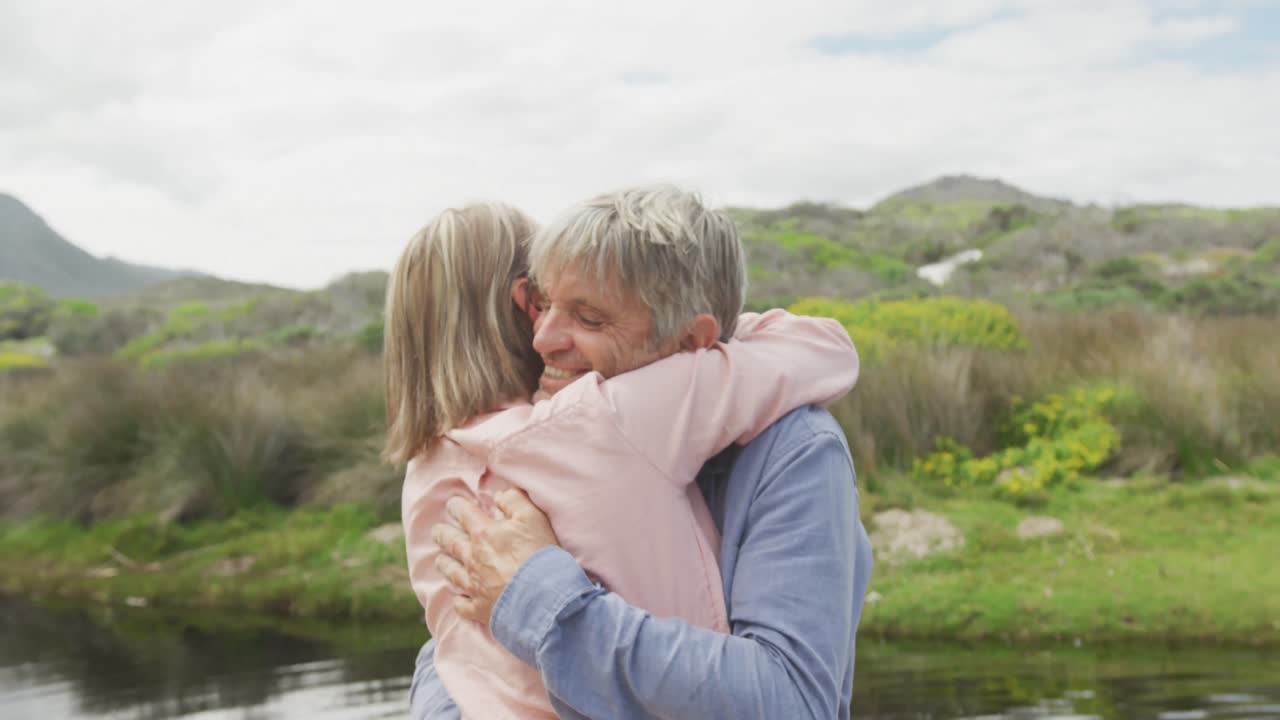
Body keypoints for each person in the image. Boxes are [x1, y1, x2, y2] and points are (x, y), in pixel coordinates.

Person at [384, 195, 860, 719]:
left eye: (587, 316)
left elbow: (793, 704)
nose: (543, 338)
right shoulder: (572, 425)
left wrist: (537, 597)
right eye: (540, 305)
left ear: (685, 339)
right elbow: (447, 654)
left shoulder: (788, 450)